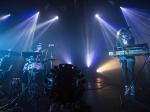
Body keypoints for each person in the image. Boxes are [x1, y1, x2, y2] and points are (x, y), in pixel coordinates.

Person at [115, 28, 135, 95]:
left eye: (125, 34)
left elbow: (133, 46)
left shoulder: (132, 38)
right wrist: (119, 57)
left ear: (127, 33)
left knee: (131, 72)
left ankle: (132, 88)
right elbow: (115, 48)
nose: (123, 35)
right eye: (122, 34)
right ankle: (126, 87)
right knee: (124, 72)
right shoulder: (119, 39)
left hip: (130, 56)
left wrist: (128, 42)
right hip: (122, 56)